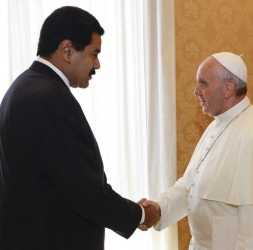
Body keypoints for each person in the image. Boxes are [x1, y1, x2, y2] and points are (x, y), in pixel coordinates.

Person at [0, 6, 159, 250]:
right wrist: (139, 214)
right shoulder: (51, 98)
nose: (98, 64)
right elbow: (84, 191)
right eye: (94, 54)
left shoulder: (21, 86)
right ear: (67, 50)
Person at [141, 52, 253, 249]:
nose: (196, 91)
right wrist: (159, 208)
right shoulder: (218, 124)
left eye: (203, 83)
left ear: (228, 87)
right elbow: (191, 186)